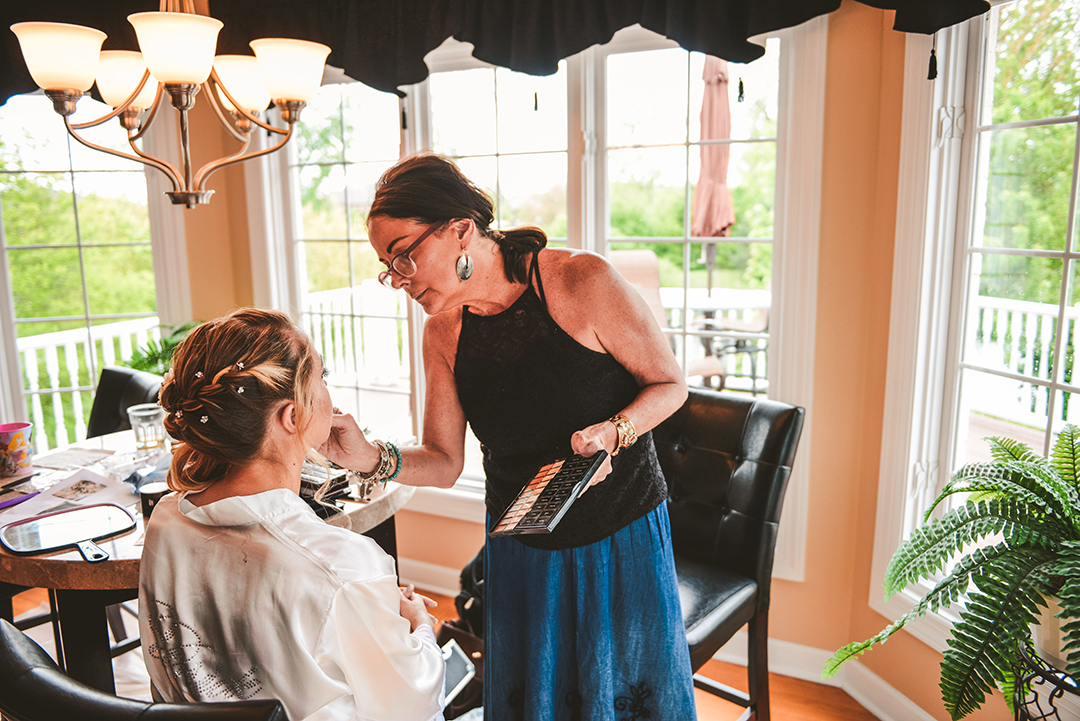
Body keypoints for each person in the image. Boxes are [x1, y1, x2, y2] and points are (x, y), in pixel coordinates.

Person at [321, 154, 698, 720]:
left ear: (461, 231)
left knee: (622, 695)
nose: (398, 279)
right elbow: (445, 462)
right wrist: (371, 457)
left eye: (404, 255)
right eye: (386, 265)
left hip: (618, 535)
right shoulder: (443, 332)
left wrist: (614, 432)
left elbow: (670, 385)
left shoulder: (581, 281)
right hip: (520, 545)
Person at [139, 308, 446, 721]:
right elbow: (413, 704)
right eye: (322, 377)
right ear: (293, 416)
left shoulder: (166, 522)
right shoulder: (342, 566)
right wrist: (417, 625)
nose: (328, 391)